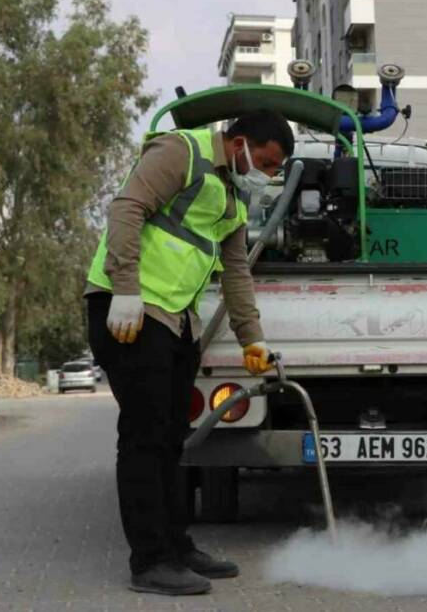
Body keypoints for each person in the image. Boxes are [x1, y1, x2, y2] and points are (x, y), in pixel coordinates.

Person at [85, 110, 293, 596]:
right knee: (144, 436)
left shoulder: (233, 196)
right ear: (239, 141)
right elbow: (127, 208)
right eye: (263, 161)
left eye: (273, 169)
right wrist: (125, 288)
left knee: (173, 438)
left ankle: (176, 547)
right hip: (128, 310)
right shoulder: (182, 151)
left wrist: (252, 339)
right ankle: (150, 561)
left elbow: (237, 270)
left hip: (175, 321)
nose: (265, 174)